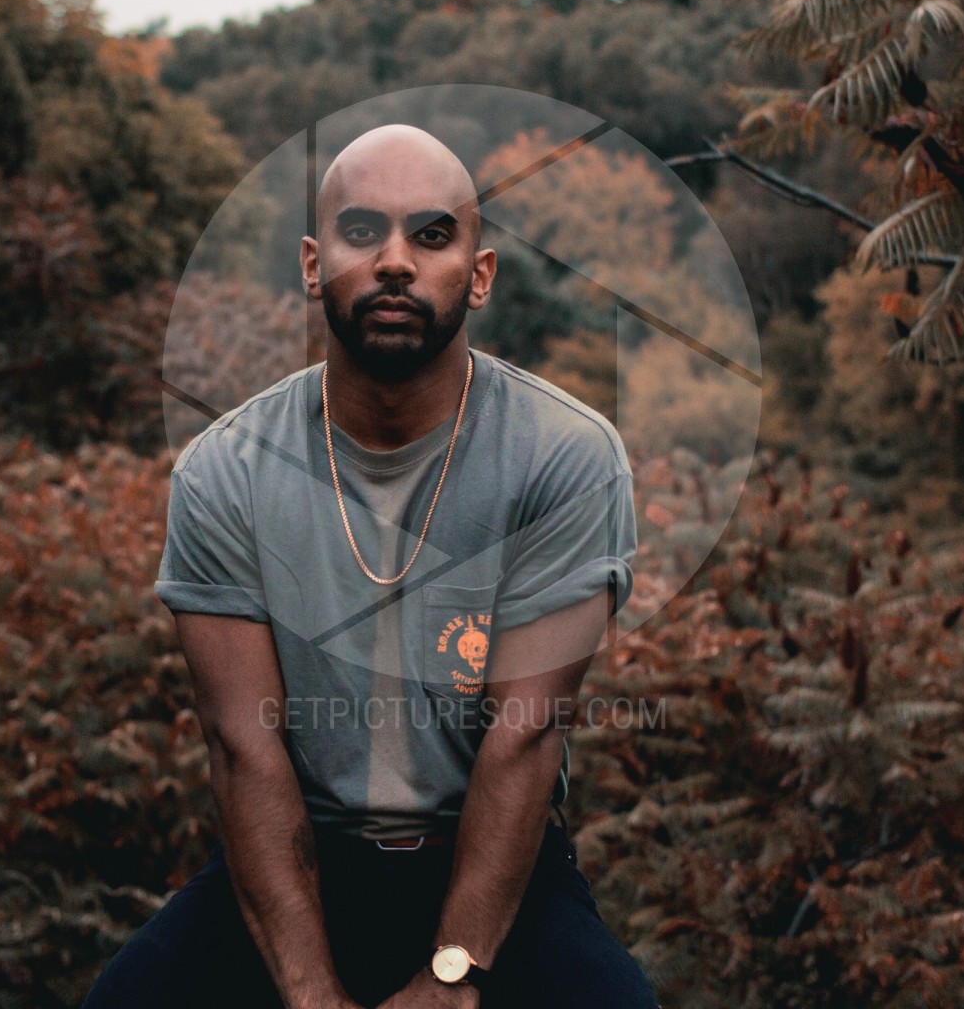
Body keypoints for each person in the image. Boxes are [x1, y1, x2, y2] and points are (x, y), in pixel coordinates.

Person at [82, 124, 659, 1009]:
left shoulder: (565, 456)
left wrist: (452, 973)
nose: (395, 262)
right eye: (362, 233)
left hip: (491, 852)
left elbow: (524, 736)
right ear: (314, 266)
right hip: (298, 853)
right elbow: (243, 746)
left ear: (480, 274)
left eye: (432, 235)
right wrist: (311, 993)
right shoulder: (225, 471)